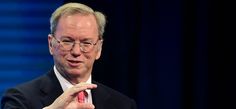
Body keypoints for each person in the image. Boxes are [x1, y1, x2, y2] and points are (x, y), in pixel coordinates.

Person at [1, 2, 137, 109]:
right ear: (51, 44)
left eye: (86, 42)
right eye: (67, 41)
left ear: (99, 48)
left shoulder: (123, 104)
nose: (76, 51)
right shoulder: (19, 99)